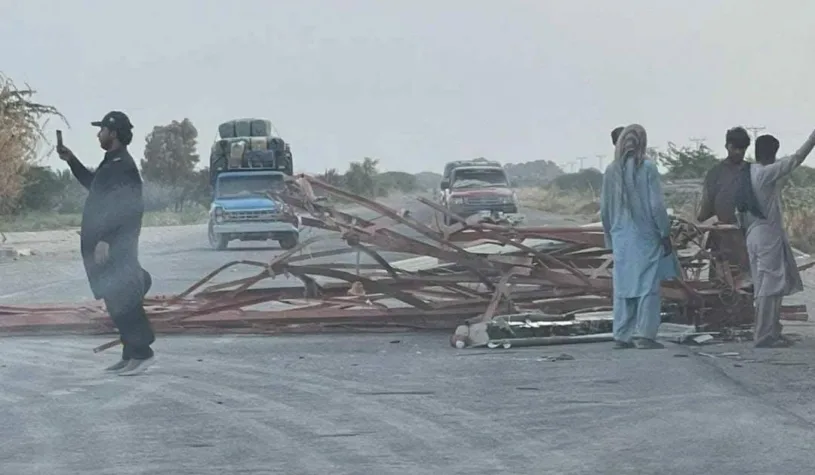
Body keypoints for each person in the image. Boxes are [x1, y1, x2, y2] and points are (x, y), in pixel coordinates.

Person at [57, 111, 156, 375]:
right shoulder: (111, 163)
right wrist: (71, 160)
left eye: (101, 130)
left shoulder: (123, 165)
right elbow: (94, 187)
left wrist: (106, 239)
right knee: (115, 301)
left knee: (125, 299)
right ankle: (130, 354)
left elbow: (128, 208)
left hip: (115, 247)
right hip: (106, 247)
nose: (98, 134)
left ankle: (143, 353)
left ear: (113, 133)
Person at [601, 124, 680, 349]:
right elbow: (656, 206)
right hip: (646, 236)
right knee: (647, 286)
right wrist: (665, 233)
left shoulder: (610, 170)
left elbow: (604, 209)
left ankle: (622, 334)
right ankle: (645, 335)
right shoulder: (647, 168)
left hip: (620, 237)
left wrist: (610, 238)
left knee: (624, 286)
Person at [739, 130, 815, 348]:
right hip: (766, 235)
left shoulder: (750, 171)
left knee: (769, 284)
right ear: (773, 154)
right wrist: (812, 139)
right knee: (770, 286)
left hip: (754, 233)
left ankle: (771, 331)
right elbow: (796, 160)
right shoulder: (765, 173)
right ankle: (764, 335)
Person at [697, 127, 752, 277]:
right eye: (735, 148)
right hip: (721, 237)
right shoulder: (715, 173)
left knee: (745, 285)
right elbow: (706, 207)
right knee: (720, 285)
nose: (739, 152)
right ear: (727, 146)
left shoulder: (752, 172)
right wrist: (700, 223)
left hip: (746, 237)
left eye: (743, 149)